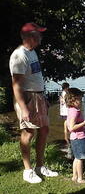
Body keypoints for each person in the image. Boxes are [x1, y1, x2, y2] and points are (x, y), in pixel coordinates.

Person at [9, 22, 58, 184]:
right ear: (31, 37)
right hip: (27, 98)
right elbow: (16, 85)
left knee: (44, 130)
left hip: (38, 96)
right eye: (39, 34)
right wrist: (23, 108)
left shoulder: (32, 52)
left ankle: (40, 166)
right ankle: (27, 170)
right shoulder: (19, 55)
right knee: (28, 132)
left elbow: (35, 77)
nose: (41, 37)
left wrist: (42, 97)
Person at [65, 87, 85, 183]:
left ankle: (74, 177)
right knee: (80, 159)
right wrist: (84, 123)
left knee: (76, 157)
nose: (81, 101)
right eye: (79, 99)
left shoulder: (71, 110)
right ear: (73, 100)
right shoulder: (75, 111)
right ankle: (80, 178)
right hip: (79, 138)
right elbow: (71, 128)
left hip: (75, 138)